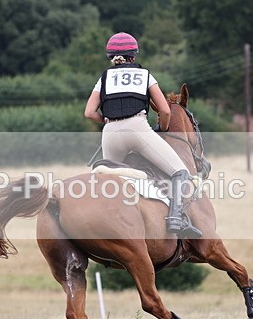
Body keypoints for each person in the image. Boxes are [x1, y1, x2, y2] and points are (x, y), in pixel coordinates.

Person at [84, 32, 202, 239]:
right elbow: (165, 111)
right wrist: (164, 128)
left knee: (106, 179)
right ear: (134, 55)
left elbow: (89, 112)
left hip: (110, 133)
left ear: (110, 56)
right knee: (180, 173)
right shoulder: (144, 75)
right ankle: (176, 218)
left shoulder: (103, 78)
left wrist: (107, 120)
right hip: (138, 129)